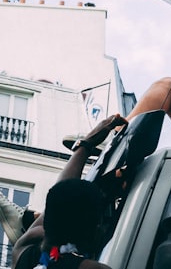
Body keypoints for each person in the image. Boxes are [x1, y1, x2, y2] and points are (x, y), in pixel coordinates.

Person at [12, 115, 126, 269]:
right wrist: (86, 144)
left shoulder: (23, 253)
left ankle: (28, 217)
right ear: (91, 230)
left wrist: (85, 145)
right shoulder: (93, 268)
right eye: (99, 222)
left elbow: (60, 200)